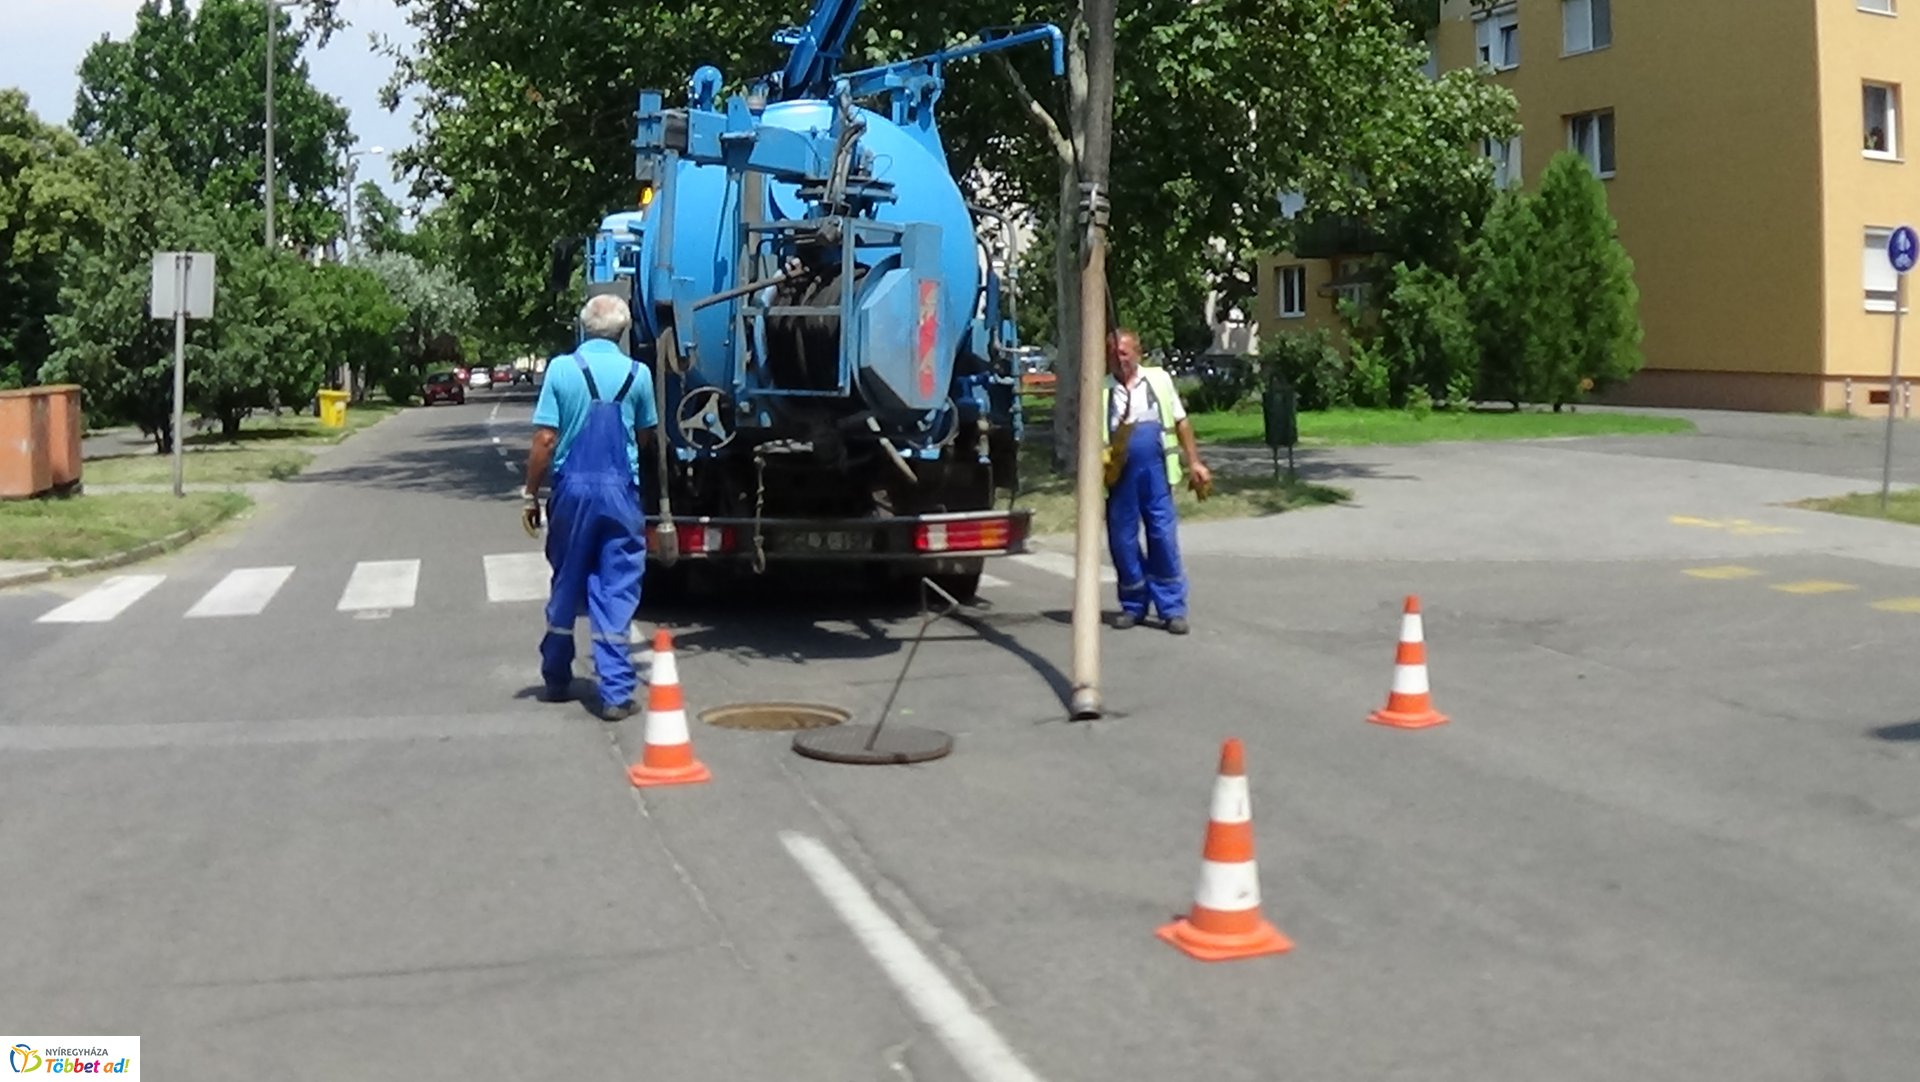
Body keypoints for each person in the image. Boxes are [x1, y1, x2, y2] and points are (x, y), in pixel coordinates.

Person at [521, 295, 660, 719]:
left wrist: (531, 493)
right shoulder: (638, 374)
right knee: (616, 586)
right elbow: (646, 436)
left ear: (583, 328)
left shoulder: (562, 370)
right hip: (620, 492)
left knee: (567, 578)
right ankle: (616, 693)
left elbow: (546, 440)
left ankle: (557, 675)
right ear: (622, 332)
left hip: (572, 492)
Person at [1101, 328, 1211, 635]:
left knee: (1162, 536)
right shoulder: (1100, 389)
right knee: (1122, 540)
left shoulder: (1159, 381)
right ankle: (1133, 604)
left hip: (1156, 472)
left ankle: (1172, 608)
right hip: (1118, 476)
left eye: (1123, 353)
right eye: (1112, 353)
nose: (1118, 359)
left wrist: (1195, 463)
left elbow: (1181, 421)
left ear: (1138, 353)